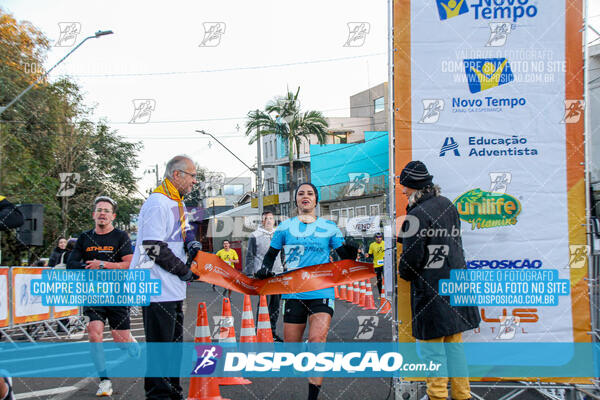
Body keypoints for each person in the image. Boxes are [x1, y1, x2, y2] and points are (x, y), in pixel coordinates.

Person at [255, 183, 358, 400]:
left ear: (316, 200)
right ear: (296, 200)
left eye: (310, 193)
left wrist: (351, 248)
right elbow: (271, 256)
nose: (305, 196)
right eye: (301, 193)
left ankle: (313, 397)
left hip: (322, 291)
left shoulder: (329, 227)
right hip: (293, 293)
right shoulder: (284, 228)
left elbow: (344, 258)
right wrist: (264, 269)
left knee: (317, 341)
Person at [397, 161, 480, 400]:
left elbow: (411, 259)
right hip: (456, 288)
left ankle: (437, 397)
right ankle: (463, 396)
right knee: (455, 349)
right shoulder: (447, 205)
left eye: (406, 188)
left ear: (415, 188)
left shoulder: (416, 214)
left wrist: (404, 272)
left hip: (431, 293)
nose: (403, 191)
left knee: (433, 355)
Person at [129, 155, 201, 400]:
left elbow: (183, 232)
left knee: (173, 348)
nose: (195, 181)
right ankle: (159, 395)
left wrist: (191, 243)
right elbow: (152, 246)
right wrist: (184, 270)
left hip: (170, 288)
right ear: (177, 175)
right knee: (161, 349)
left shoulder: (175, 202)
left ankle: (173, 392)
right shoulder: (158, 202)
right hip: (156, 287)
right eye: (192, 175)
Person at [67, 196, 138, 397]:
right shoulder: (84, 238)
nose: (102, 213)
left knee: (120, 341)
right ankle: (104, 380)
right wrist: (88, 267)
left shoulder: (120, 236)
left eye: (106, 210)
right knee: (94, 333)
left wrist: (106, 265)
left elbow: (129, 264)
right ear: (93, 215)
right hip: (93, 295)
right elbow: (72, 264)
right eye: (99, 210)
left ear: (112, 216)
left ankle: (129, 341)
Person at [244, 211, 284, 341]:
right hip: (262, 275)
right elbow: (250, 256)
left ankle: (272, 332)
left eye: (271, 218)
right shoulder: (255, 235)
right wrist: (249, 274)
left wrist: (284, 267)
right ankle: (260, 331)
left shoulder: (278, 234)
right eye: (266, 219)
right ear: (262, 221)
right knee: (264, 305)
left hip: (277, 274)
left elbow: (282, 254)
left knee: (275, 306)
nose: (269, 221)